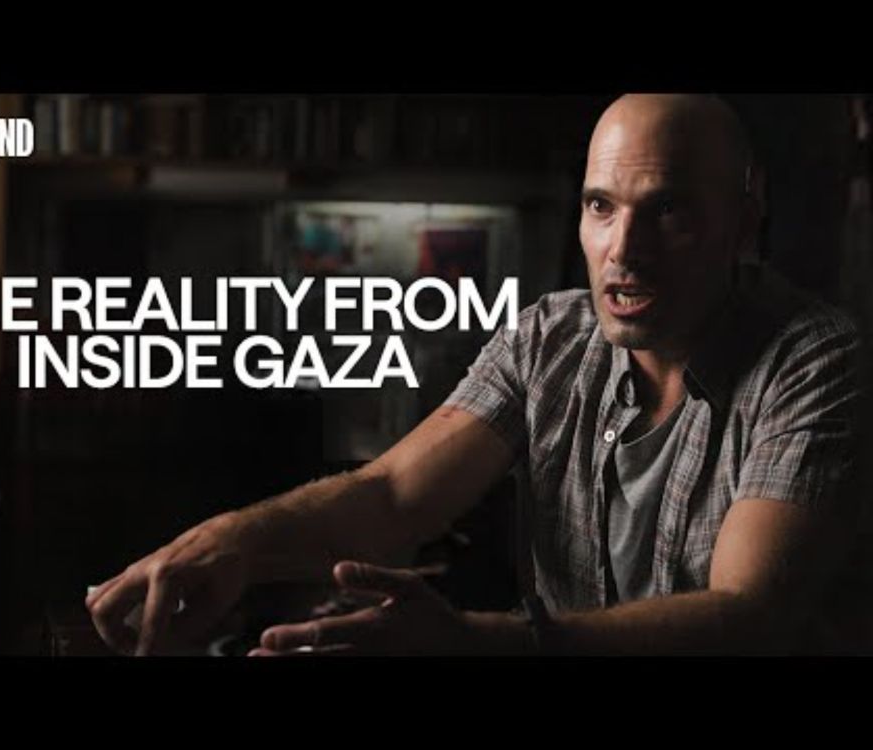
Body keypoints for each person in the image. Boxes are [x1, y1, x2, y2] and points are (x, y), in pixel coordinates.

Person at [86, 94, 863, 656]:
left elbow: (747, 615)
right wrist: (231, 541)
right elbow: (395, 493)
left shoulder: (815, 360)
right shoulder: (548, 338)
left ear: (742, 226)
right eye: (601, 207)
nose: (625, 249)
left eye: (669, 212)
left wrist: (471, 641)